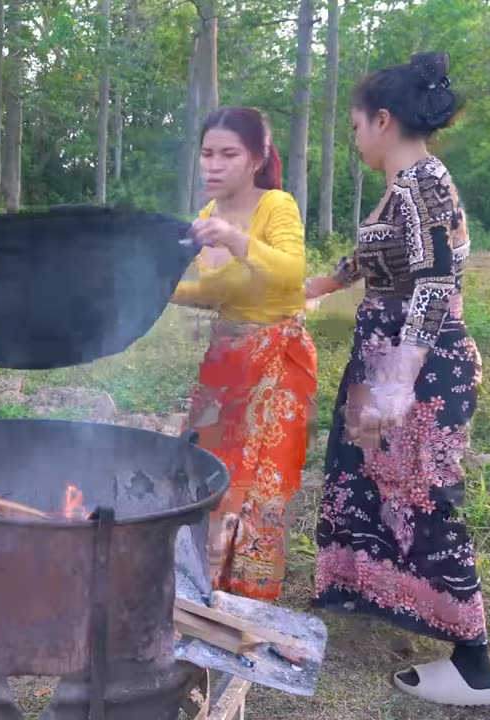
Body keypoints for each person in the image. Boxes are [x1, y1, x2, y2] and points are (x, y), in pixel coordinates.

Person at [307, 52, 490, 706]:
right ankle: (381, 596)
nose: (354, 135)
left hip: (418, 370)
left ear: (383, 120)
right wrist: (324, 283)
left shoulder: (424, 183)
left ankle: (476, 665)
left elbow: (436, 281)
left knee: (424, 500)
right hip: (385, 359)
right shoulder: (405, 186)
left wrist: (400, 377)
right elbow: (383, 252)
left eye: (357, 123)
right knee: (372, 487)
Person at [171, 106, 317, 602]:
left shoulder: (276, 206)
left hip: (275, 361)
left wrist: (237, 240)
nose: (214, 165)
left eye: (228, 154)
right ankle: (201, 580)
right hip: (225, 358)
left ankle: (245, 593)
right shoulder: (208, 216)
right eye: (207, 154)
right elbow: (211, 290)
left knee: (256, 484)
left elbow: (290, 273)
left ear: (256, 158)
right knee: (206, 467)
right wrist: (157, 288)